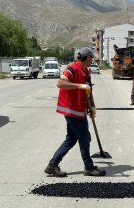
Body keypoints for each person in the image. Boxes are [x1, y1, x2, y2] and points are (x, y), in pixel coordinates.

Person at [44, 47, 106, 177]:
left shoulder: (86, 71)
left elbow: (88, 91)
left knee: (71, 139)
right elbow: (60, 83)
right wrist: (79, 86)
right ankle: (88, 167)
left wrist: (92, 107)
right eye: (91, 58)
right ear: (86, 57)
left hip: (79, 109)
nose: (92, 60)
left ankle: (52, 164)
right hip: (71, 109)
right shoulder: (72, 69)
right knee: (84, 138)